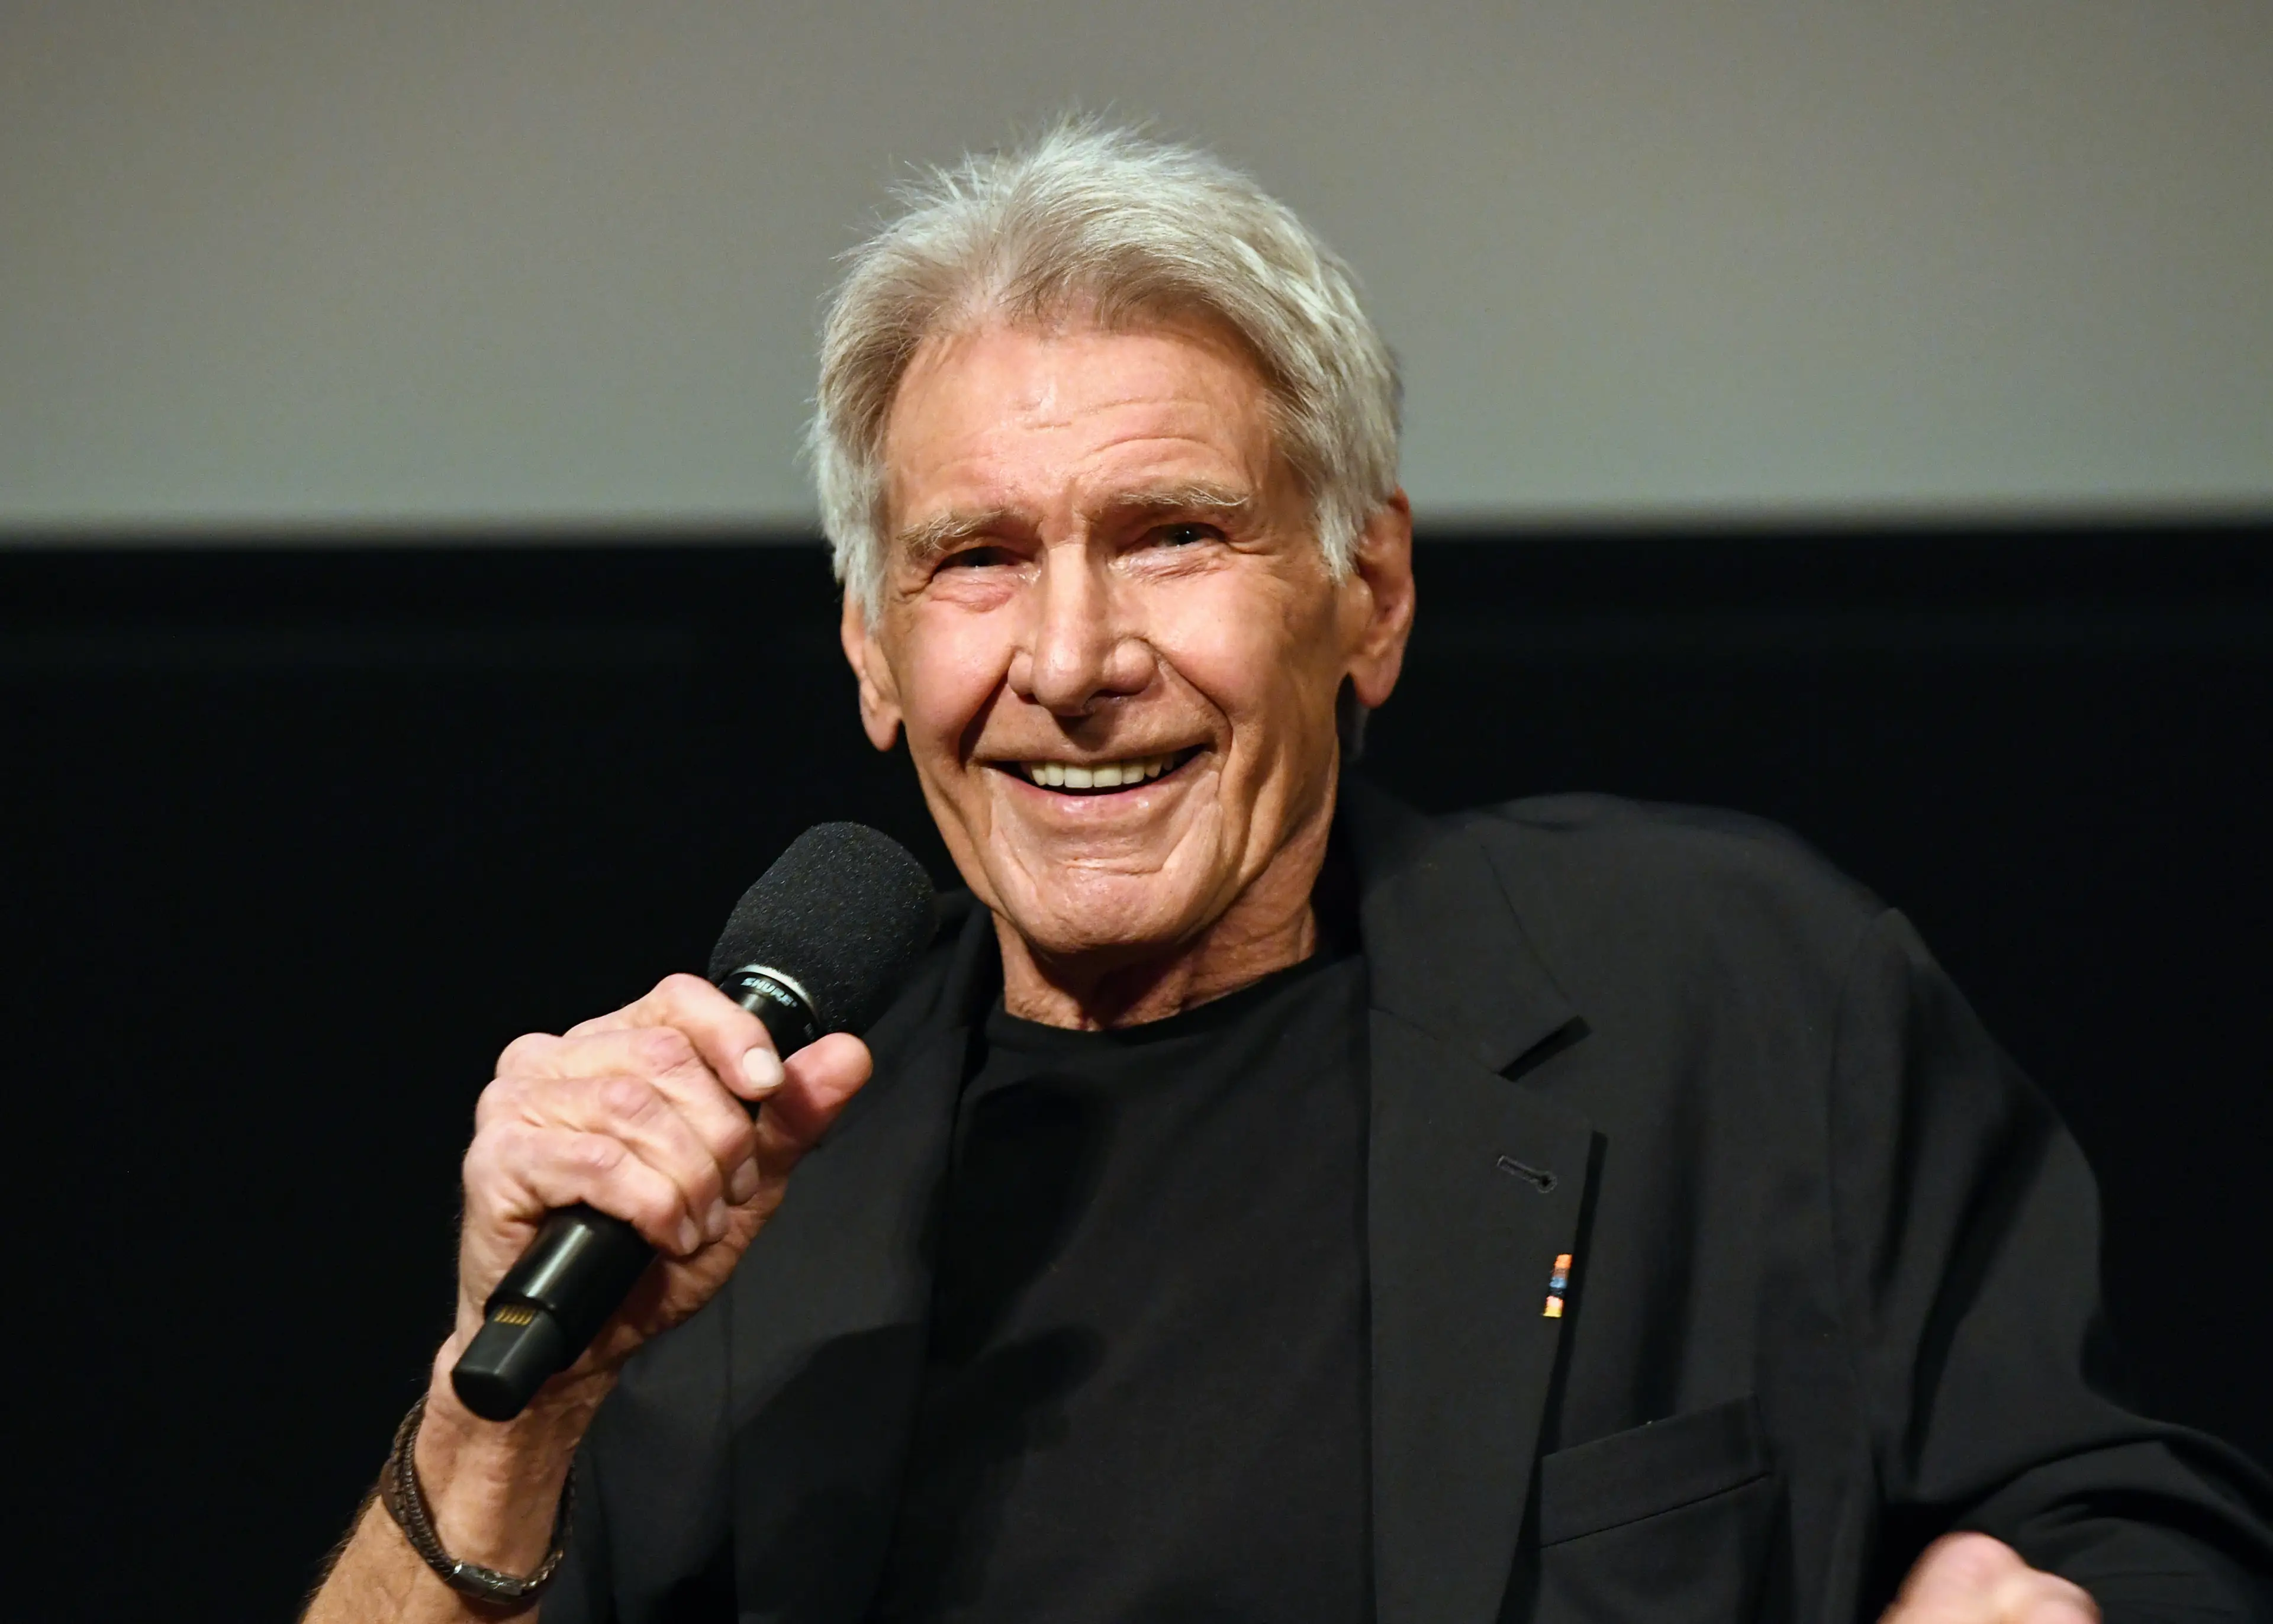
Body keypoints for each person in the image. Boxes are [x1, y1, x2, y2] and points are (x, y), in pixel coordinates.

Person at [304, 122, 2272, 1624]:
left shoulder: (1736, 995)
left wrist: (2056, 1598)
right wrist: (504, 1421)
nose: (1070, 665)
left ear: (1371, 594)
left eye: (1172, 534)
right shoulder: (724, 1199)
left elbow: (2130, 1514)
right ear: (870, 656)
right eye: (976, 558)